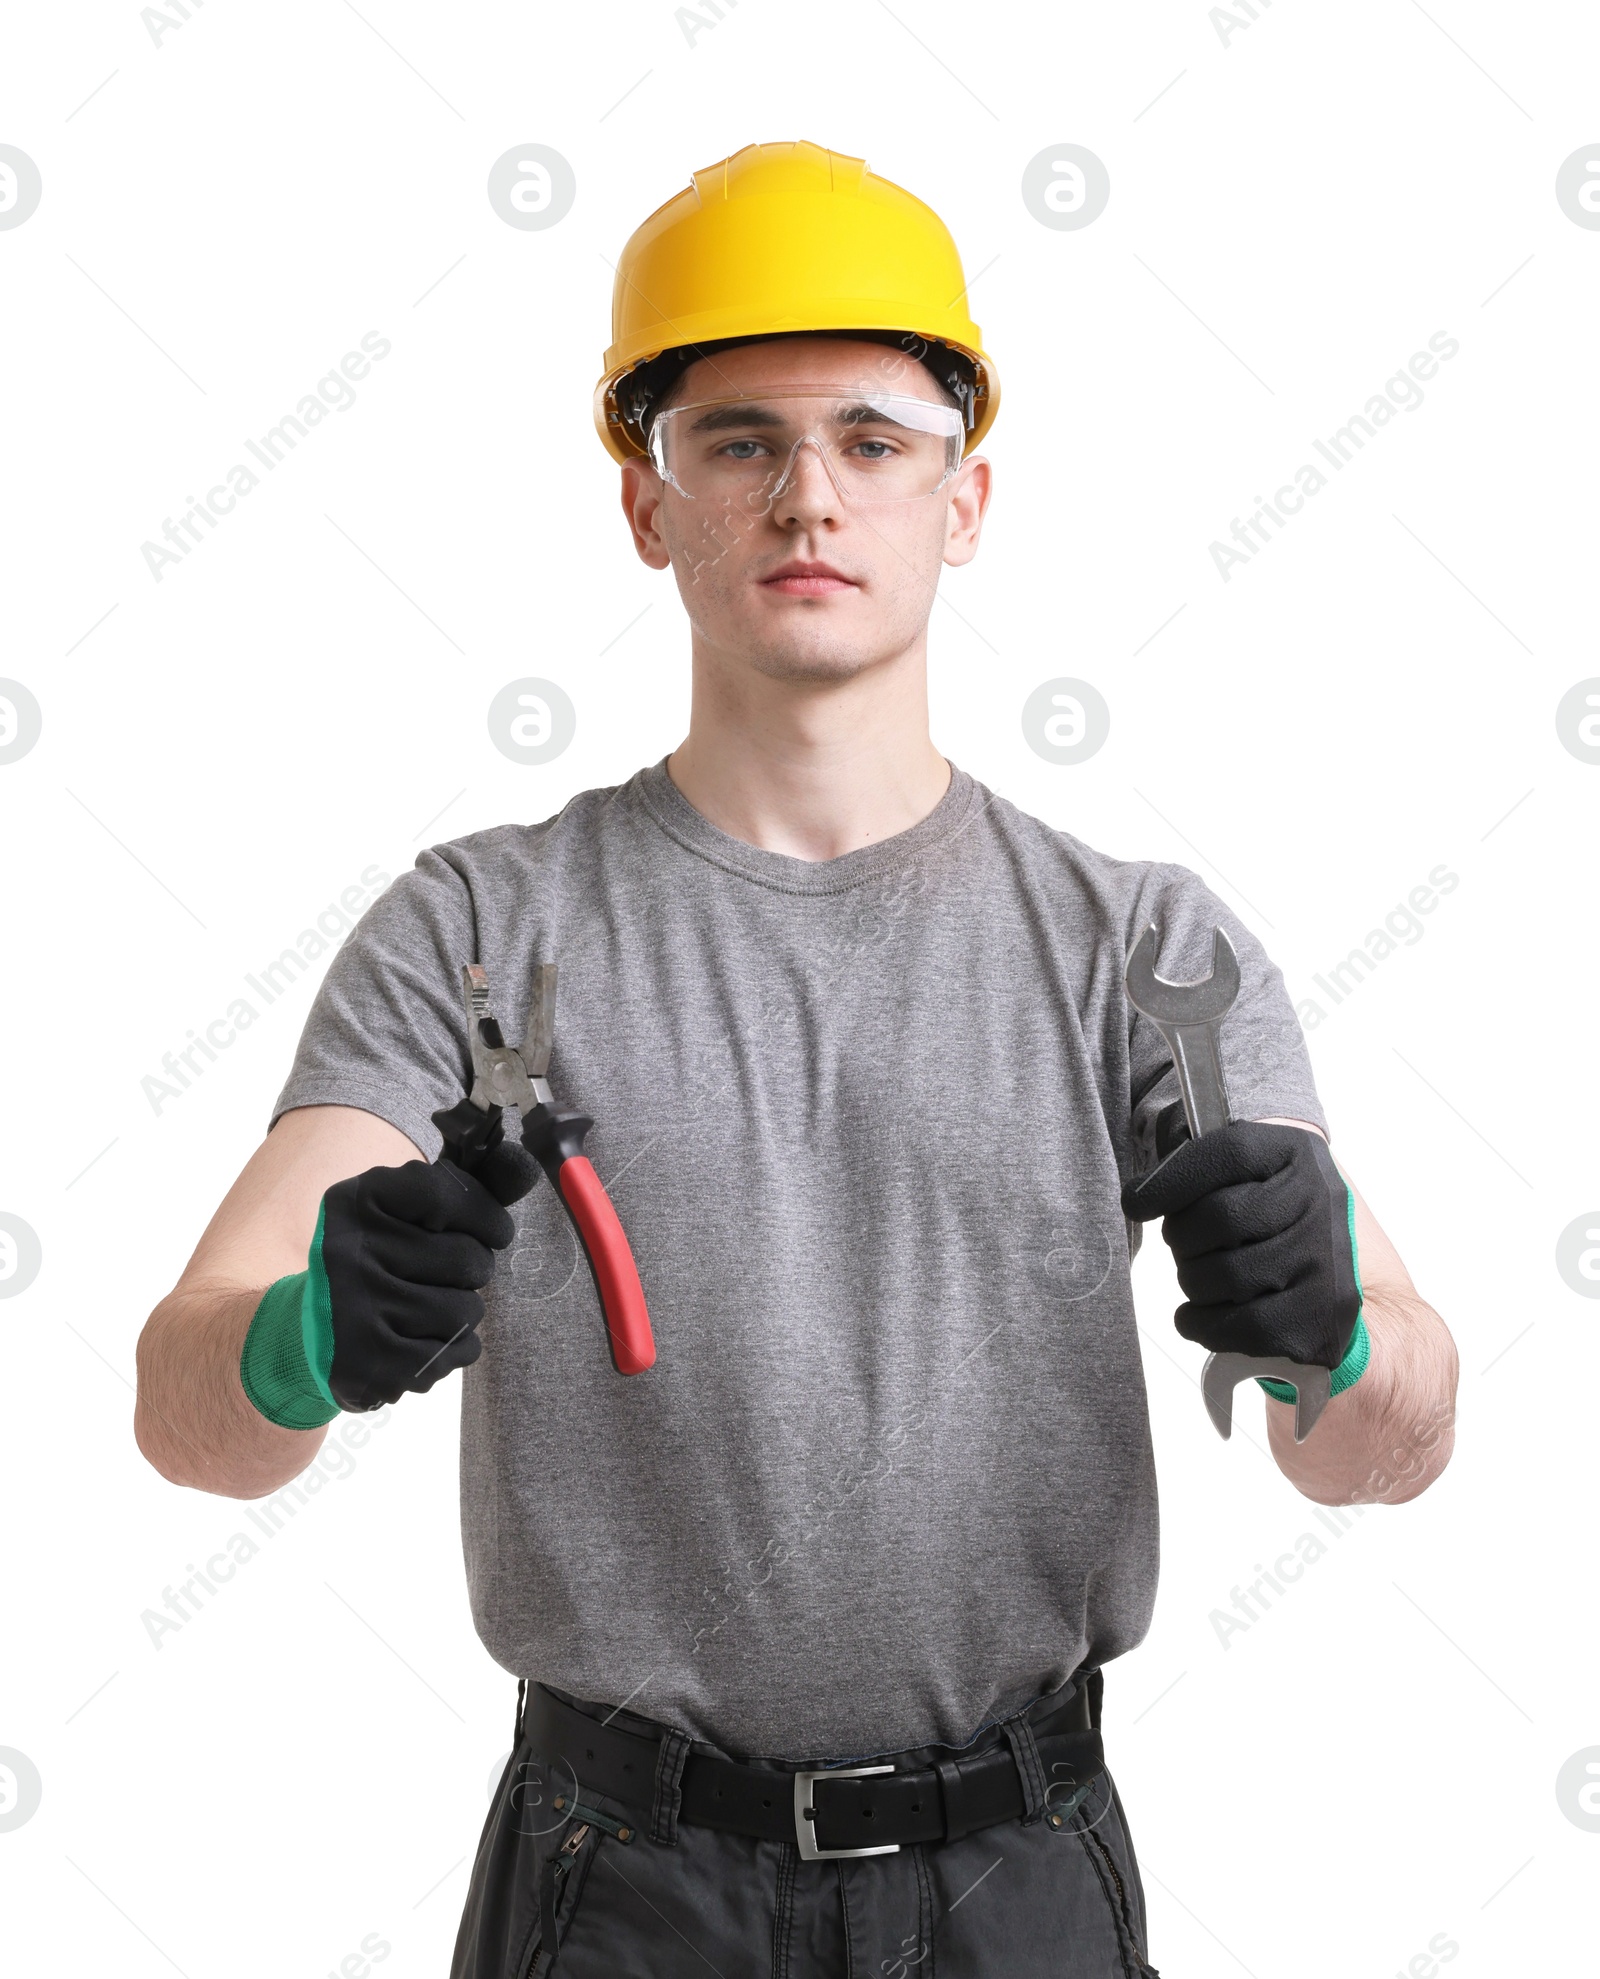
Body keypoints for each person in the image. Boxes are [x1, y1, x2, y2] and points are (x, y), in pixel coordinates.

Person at [134, 139, 1458, 1978]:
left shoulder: (1141, 952)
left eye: (873, 441)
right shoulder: (475, 931)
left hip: (1023, 1880)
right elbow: (184, 1415)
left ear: (966, 497)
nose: (808, 499)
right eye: (738, 441)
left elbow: (1387, 1447)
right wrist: (301, 1339)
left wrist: (1333, 1331)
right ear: (647, 505)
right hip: (622, 1888)